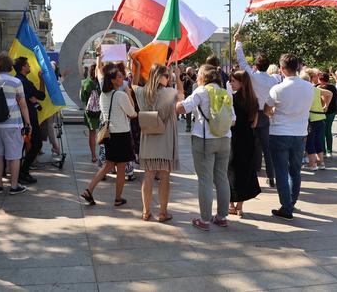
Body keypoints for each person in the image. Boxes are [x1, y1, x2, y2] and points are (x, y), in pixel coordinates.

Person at [176, 65, 236, 231]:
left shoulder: (201, 91)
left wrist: (178, 97)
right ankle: (222, 217)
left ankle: (204, 220)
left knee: (205, 180)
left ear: (203, 77)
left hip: (204, 139)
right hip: (225, 138)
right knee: (222, 177)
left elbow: (181, 108)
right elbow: (233, 119)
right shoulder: (226, 92)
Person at [264, 53, 313, 220]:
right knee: (295, 170)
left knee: (281, 172)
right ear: (298, 67)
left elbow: (267, 110)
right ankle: (291, 202)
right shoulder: (309, 86)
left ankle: (286, 207)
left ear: (282, 69)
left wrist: (275, 112)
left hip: (280, 132)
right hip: (300, 133)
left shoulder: (277, 88)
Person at [80, 66, 137, 206]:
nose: (121, 78)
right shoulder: (121, 95)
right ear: (112, 80)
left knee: (108, 165)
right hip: (121, 135)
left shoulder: (103, 95)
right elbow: (133, 113)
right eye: (118, 77)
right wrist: (129, 93)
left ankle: (89, 189)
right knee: (121, 168)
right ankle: (118, 198)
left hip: (109, 135)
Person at [133, 64, 183, 223]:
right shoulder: (169, 92)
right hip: (165, 140)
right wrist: (179, 77)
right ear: (160, 77)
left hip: (148, 139)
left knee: (148, 177)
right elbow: (182, 96)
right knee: (164, 176)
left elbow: (132, 86)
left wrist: (137, 68)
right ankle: (163, 212)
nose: (169, 79)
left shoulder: (143, 92)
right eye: (167, 76)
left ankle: (146, 211)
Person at [234, 33, 277, 187]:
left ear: (256, 65)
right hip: (265, 114)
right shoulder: (274, 79)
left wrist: (238, 43)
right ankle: (271, 176)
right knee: (267, 148)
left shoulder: (252, 76)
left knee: (249, 145)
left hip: (251, 113)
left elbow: (241, 61)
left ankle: (250, 175)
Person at [0, 53, 31, 194]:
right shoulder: (16, 82)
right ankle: (13, 186)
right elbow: (23, 104)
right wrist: (28, 123)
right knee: (14, 155)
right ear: (10, 66)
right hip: (12, 124)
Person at [227, 70, 261, 218]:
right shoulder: (254, 99)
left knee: (231, 169)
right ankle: (240, 206)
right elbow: (254, 123)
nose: (231, 83)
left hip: (234, 137)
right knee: (245, 170)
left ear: (241, 82)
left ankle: (231, 204)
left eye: (234, 81)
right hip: (248, 137)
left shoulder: (232, 99)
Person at [14, 56, 46, 184]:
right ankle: (23, 171)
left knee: (20, 145)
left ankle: (17, 170)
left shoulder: (16, 80)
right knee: (37, 143)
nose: (29, 66)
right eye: (27, 65)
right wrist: (41, 80)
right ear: (23, 67)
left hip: (18, 118)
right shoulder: (25, 82)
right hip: (29, 119)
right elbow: (41, 95)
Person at [301, 68, 332, 170]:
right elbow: (329, 93)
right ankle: (321, 163)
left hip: (312, 118)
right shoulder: (315, 89)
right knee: (318, 141)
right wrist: (326, 106)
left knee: (310, 141)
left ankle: (312, 164)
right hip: (321, 117)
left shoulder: (305, 90)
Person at [80, 64, 101, 162]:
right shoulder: (102, 82)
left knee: (92, 133)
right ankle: (104, 155)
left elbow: (82, 98)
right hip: (102, 111)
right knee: (104, 132)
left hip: (90, 112)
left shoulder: (85, 82)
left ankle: (93, 155)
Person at [317, 72, 337, 158]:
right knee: (328, 131)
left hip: (322, 112)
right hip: (332, 111)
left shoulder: (317, 87)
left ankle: (324, 151)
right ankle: (329, 150)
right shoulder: (332, 87)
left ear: (320, 79)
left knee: (322, 132)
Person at [182, 66, 196, 132]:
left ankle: (196, 123)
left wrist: (189, 78)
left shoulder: (195, 76)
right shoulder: (185, 77)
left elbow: (195, 84)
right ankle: (188, 126)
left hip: (194, 96)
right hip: (187, 96)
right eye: (187, 72)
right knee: (188, 111)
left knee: (196, 112)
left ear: (192, 71)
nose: (188, 74)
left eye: (189, 72)